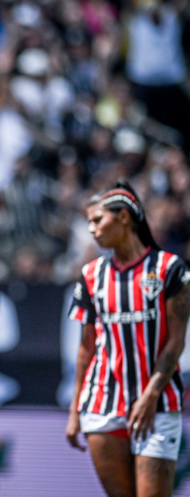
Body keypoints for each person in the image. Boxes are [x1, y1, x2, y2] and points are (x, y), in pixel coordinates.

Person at [66, 180, 190, 497]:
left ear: (123, 218)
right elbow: (86, 348)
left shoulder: (170, 268)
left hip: (158, 402)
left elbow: (176, 342)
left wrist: (150, 394)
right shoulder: (91, 275)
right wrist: (75, 410)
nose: (92, 229)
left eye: (97, 220)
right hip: (102, 403)